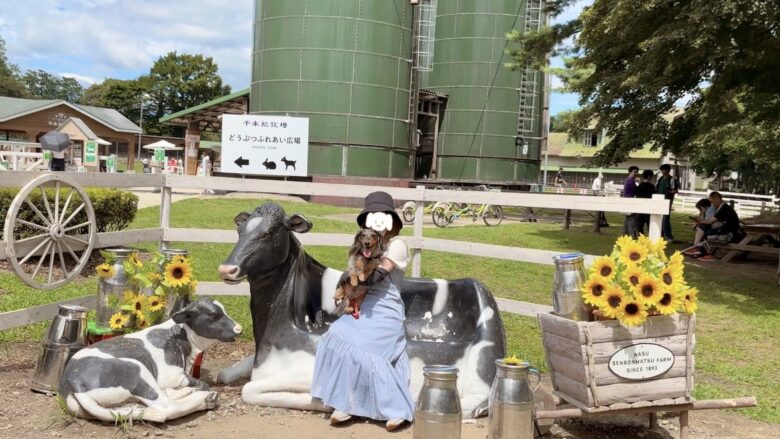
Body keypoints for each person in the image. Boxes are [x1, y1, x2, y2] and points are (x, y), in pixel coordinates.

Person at [311, 191, 413, 432]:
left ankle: (397, 408)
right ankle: (346, 403)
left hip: (386, 310)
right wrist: (348, 279)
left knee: (365, 348)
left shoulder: (397, 245)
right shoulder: (366, 247)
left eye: (382, 217)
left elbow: (375, 278)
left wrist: (349, 277)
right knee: (336, 334)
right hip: (364, 307)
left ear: (390, 220)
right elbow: (354, 275)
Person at [691, 192, 741, 261]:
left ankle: (705, 252)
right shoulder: (722, 207)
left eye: (712, 202)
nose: (712, 204)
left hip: (729, 232)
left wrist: (699, 221)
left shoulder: (724, 208)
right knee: (704, 229)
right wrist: (700, 221)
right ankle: (699, 250)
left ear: (716, 199)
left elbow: (710, 221)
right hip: (728, 229)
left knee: (705, 229)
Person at [656, 164, 679, 242]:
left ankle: (669, 236)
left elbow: (675, 190)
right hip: (658, 201)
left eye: (664, 170)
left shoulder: (672, 179)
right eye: (662, 170)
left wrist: (669, 192)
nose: (663, 171)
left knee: (665, 219)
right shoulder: (660, 179)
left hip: (667, 201)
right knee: (658, 218)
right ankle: (660, 235)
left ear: (668, 171)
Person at [633, 170, 656, 236]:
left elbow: (636, 195)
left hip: (639, 209)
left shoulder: (639, 187)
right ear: (649, 177)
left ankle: (641, 238)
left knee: (640, 226)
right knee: (650, 225)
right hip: (649, 209)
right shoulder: (652, 187)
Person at [622, 166, 640, 236]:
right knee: (632, 220)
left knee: (628, 219)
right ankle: (632, 236)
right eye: (634, 172)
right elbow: (636, 191)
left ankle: (625, 235)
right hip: (629, 203)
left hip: (627, 202)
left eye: (637, 172)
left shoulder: (630, 180)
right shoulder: (630, 181)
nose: (636, 173)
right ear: (630, 172)